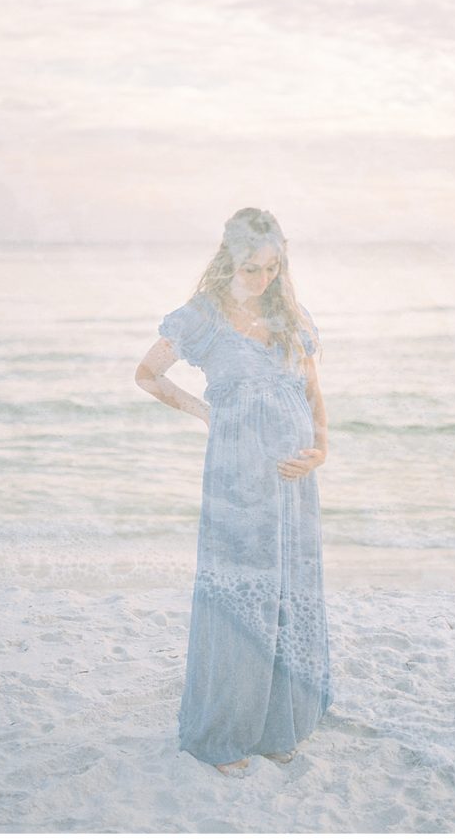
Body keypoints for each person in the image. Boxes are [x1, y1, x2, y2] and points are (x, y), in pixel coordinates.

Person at [134, 207, 333, 777]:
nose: (264, 278)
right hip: (236, 476)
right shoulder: (202, 316)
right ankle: (225, 731)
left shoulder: (291, 317)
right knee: (237, 595)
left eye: (274, 267)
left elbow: (314, 392)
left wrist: (320, 449)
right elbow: (147, 373)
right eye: (253, 267)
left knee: (286, 596)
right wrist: (205, 413)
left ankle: (278, 727)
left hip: (295, 485)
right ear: (228, 259)